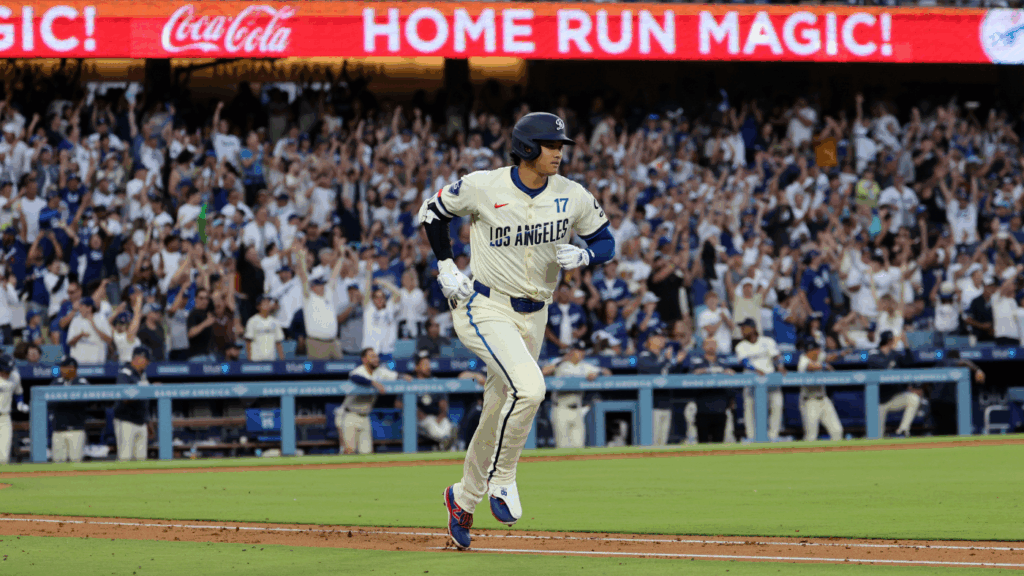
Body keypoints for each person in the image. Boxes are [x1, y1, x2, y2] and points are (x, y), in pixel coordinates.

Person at [421, 112, 613, 549]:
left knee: (499, 406)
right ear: (527, 148)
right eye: (550, 144)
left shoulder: (572, 194)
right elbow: (432, 213)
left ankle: (463, 499)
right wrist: (446, 264)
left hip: (535, 313)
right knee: (530, 390)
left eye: (561, 145)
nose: (559, 152)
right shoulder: (484, 185)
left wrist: (586, 257)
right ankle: (503, 478)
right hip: (485, 305)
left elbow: (606, 241)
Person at [336, 347, 410, 455]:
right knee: (349, 451)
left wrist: (404, 376)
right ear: (364, 360)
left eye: (376, 357)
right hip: (349, 415)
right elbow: (354, 377)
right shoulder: (359, 371)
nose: (376, 359)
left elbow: (396, 375)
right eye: (372, 357)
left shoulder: (380, 371)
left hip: (365, 416)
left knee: (367, 453)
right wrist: (374, 383)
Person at [541, 340, 610, 449]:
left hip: (578, 410)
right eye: (579, 351)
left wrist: (597, 373)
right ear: (572, 351)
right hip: (560, 409)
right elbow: (544, 371)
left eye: (583, 351)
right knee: (562, 448)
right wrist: (563, 360)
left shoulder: (584, 366)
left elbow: (607, 372)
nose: (582, 353)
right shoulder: (559, 362)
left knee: (579, 447)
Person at [734, 318, 786, 442]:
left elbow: (777, 356)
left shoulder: (767, 341)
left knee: (777, 403)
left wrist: (780, 366)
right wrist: (756, 370)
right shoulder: (741, 345)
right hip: (751, 381)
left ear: (753, 328)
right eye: (741, 328)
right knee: (749, 408)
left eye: (744, 328)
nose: (742, 331)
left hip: (769, 380)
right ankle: (751, 437)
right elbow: (745, 362)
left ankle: (773, 436)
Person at [636, 328, 686, 445]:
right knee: (651, 443)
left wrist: (678, 363)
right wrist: (667, 360)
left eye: (662, 337)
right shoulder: (645, 355)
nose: (662, 340)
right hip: (651, 406)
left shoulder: (663, 357)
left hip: (666, 403)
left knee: (662, 443)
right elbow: (653, 371)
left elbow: (674, 377)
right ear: (650, 340)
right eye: (658, 337)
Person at [686, 338, 738, 444]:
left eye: (713, 344)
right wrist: (705, 371)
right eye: (708, 344)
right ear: (703, 347)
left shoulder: (723, 362)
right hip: (702, 408)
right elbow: (690, 376)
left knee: (719, 442)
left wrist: (727, 372)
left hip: (720, 408)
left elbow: (732, 380)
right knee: (702, 443)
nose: (711, 346)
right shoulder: (697, 362)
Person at [296, 247, 343, 360]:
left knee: (340, 373)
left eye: (323, 284)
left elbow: (334, 275)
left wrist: (341, 257)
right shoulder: (308, 297)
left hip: (334, 341)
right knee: (318, 374)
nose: (322, 286)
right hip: (317, 343)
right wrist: (302, 259)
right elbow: (303, 278)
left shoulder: (328, 294)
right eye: (319, 285)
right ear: (313, 287)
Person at [870, 331, 918, 437]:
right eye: (891, 340)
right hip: (878, 402)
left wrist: (906, 345)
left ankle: (903, 429)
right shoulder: (874, 353)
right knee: (877, 436)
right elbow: (880, 366)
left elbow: (910, 363)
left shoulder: (895, 354)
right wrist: (891, 362)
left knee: (913, 399)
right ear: (888, 341)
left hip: (893, 398)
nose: (893, 342)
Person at [796, 338, 844, 441]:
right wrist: (824, 365)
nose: (819, 352)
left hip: (823, 399)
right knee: (811, 436)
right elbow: (810, 366)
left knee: (837, 431)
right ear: (810, 350)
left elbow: (830, 357)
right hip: (809, 401)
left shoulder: (818, 356)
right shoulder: (803, 360)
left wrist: (842, 353)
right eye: (816, 350)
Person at [930, 349, 984, 436]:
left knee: (939, 431)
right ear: (957, 357)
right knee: (951, 431)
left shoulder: (939, 364)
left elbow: (926, 382)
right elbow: (963, 362)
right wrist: (977, 370)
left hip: (934, 402)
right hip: (947, 403)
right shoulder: (951, 362)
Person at [113, 346, 153, 461]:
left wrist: (148, 422)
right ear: (139, 358)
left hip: (141, 421)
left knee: (141, 459)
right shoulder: (125, 373)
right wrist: (142, 389)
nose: (148, 363)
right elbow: (124, 397)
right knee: (125, 458)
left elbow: (145, 402)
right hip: (126, 421)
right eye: (147, 360)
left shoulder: (142, 374)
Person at [49, 356, 91, 462]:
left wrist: (63, 400)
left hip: (76, 429)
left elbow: (85, 402)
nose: (61, 370)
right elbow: (50, 403)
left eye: (64, 367)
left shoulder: (82, 382)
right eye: (61, 367)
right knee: (58, 464)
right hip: (58, 429)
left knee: (76, 462)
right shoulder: (56, 382)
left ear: (72, 368)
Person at [66, 296, 112, 365]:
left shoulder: (101, 318)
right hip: (79, 363)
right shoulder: (76, 320)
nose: (79, 309)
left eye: (82, 306)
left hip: (97, 363)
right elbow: (70, 342)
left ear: (89, 308)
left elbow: (109, 339)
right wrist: (80, 335)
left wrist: (94, 326)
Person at [0, 354, 27, 464]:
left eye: (9, 371)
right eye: (5, 371)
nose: (7, 373)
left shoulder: (15, 376)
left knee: (3, 457)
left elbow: (18, 393)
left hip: (4, 418)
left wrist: (20, 403)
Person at [244, 294, 285, 361]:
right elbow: (248, 341)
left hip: (271, 360)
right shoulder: (252, 321)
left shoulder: (275, 322)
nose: (267, 305)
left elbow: (278, 342)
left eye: (268, 303)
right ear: (258, 306)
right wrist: (249, 359)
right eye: (264, 303)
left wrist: (282, 359)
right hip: (256, 360)